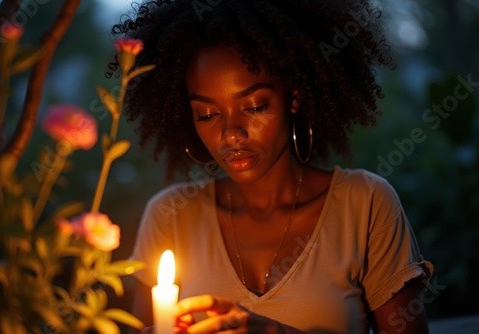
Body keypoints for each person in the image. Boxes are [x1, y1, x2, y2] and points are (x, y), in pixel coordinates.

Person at [110, 0, 434, 332]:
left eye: (253, 105)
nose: (230, 134)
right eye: (206, 114)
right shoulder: (169, 217)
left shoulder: (366, 205)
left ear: (294, 96)